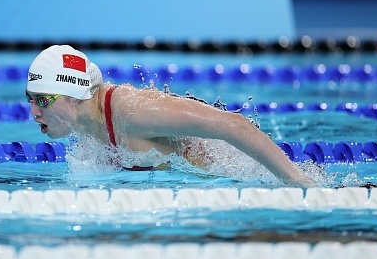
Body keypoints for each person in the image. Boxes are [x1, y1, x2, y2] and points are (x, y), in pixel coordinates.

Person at [25, 44, 316, 187]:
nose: (33, 111)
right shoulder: (86, 126)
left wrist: (302, 186)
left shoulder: (131, 111)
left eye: (42, 100)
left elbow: (235, 125)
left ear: (73, 94)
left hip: (241, 184)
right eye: (30, 100)